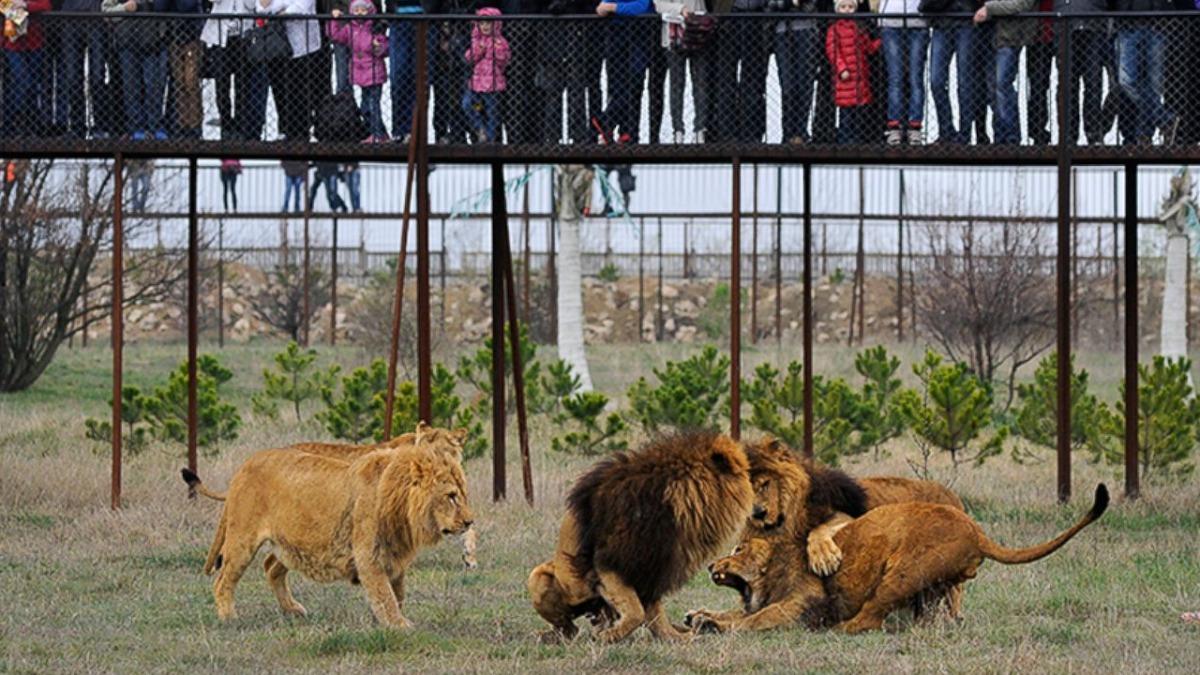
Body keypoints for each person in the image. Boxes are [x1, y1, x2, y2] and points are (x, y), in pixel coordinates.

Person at [252, 0, 324, 142]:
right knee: (279, 90)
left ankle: (301, 133)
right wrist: (278, 8)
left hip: (303, 45)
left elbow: (302, 7)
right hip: (276, 46)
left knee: (300, 92)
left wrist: (280, 12)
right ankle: (285, 129)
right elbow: (262, 8)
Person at [1113, 0, 1178, 144]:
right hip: (1128, 24)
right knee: (1126, 80)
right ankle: (1164, 119)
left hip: (1156, 23)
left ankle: (1144, 134)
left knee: (1154, 84)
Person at [202, 0, 268, 140]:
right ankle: (226, 124)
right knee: (221, 83)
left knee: (242, 83)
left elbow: (254, 5)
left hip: (244, 35)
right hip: (221, 35)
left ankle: (239, 125)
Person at [102, 0, 168, 140]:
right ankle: (136, 127)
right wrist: (124, 8)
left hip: (152, 40)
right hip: (127, 41)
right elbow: (106, 11)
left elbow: (164, 7)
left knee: (153, 86)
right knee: (131, 87)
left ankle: (154, 126)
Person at [973, 0, 1035, 145]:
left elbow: (1021, 5)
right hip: (988, 35)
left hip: (1009, 38)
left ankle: (1011, 137)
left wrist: (989, 8)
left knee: (1002, 85)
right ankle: (1000, 136)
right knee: (992, 89)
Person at [592, 0, 654, 144]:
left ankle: (612, 124)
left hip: (639, 34)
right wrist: (607, 6)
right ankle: (614, 130)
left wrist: (613, 7)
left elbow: (641, 7)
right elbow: (602, 7)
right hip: (616, 35)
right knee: (617, 86)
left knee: (635, 82)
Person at [328, 0, 391, 142]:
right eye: (356, 10)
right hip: (361, 75)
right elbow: (336, 36)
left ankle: (377, 134)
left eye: (363, 10)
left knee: (373, 106)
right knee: (365, 108)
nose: (360, 13)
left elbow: (386, 47)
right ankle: (379, 133)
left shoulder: (375, 28)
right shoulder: (350, 28)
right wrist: (334, 20)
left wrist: (379, 47)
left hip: (374, 74)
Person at [922, 0, 980, 144]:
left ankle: (964, 134)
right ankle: (946, 131)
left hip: (965, 21)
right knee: (936, 81)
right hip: (942, 23)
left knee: (965, 83)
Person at [655, 0, 712, 144]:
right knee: (676, 85)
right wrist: (681, 9)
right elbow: (659, 4)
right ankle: (678, 130)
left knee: (701, 84)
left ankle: (700, 129)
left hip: (697, 31)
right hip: (674, 35)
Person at [826, 0, 878, 144]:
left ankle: (856, 142)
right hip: (845, 80)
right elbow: (832, 50)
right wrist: (841, 68)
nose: (847, 10)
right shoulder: (834, 29)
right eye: (843, 7)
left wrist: (879, 42)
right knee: (846, 115)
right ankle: (844, 142)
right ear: (838, 9)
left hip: (860, 79)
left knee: (858, 116)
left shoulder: (859, 28)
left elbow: (868, 48)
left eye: (850, 7)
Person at [59, 0, 111, 139]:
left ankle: (101, 126)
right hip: (70, 19)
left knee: (97, 76)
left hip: (96, 19)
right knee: (72, 78)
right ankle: (76, 127)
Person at [878, 0, 927, 145]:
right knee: (895, 79)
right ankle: (894, 127)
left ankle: (915, 127)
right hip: (890, 22)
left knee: (915, 79)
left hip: (917, 22)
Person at [2, 0, 51, 138]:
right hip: (12, 43)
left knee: (32, 86)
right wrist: (12, 5)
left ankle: (28, 126)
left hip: (35, 43)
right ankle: (16, 124)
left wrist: (25, 5)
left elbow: (45, 5)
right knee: (23, 82)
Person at [462, 6, 509, 143]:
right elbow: (468, 58)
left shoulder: (501, 42)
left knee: (492, 113)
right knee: (469, 104)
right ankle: (479, 128)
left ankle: (490, 138)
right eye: (482, 23)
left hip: (493, 87)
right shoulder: (476, 41)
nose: (485, 26)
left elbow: (504, 61)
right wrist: (479, 50)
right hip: (476, 86)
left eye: (488, 23)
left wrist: (497, 49)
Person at [165, 0, 204, 139]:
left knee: (190, 82)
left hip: (192, 35)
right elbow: (161, 6)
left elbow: (187, 5)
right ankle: (181, 124)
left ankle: (194, 126)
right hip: (174, 35)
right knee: (179, 82)